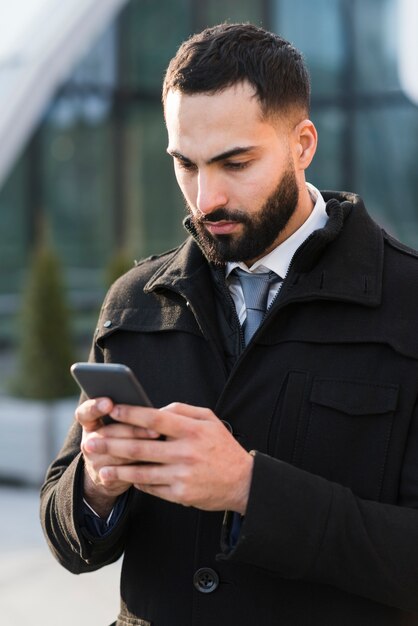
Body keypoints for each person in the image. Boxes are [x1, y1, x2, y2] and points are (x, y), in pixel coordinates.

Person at [40, 22, 418, 626]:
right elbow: (67, 538)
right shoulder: (134, 301)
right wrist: (96, 483)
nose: (205, 197)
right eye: (184, 164)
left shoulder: (409, 303)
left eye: (235, 162)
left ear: (302, 144)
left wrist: (250, 489)